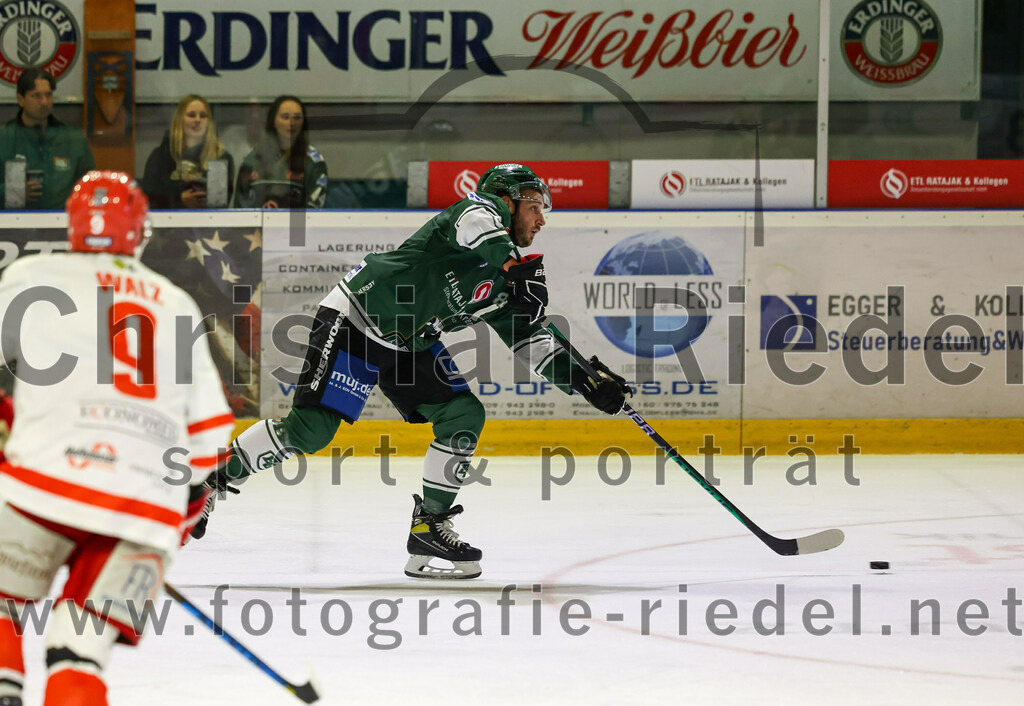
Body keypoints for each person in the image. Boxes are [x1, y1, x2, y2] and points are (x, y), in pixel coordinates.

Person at [196, 163, 630, 580]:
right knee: (312, 431)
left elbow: (531, 341)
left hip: (408, 343)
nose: (542, 220)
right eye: (535, 206)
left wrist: (584, 382)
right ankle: (210, 479)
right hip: (359, 317)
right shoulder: (476, 213)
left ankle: (430, 528)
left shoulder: (506, 281)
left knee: (463, 415)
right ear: (507, 199)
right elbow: (482, 229)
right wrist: (512, 267)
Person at [0, 172, 233, 705]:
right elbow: (208, 445)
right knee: (78, 652)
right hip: (144, 507)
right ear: (140, 231)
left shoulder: (30, 274)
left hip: (39, 482)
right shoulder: (174, 303)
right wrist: (179, 516)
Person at [0, 68, 95, 210]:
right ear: (21, 99)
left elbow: (91, 186)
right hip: (11, 225)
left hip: (61, 223)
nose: (44, 102)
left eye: (48, 95)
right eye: (36, 96)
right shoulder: (4, 138)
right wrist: (14, 192)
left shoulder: (72, 139)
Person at [141, 94, 235, 209]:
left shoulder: (220, 158)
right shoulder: (160, 156)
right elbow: (149, 198)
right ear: (179, 120)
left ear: (209, 122)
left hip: (208, 224)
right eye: (191, 115)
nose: (197, 120)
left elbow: (221, 202)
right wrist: (179, 200)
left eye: (203, 116)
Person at [234, 95, 328, 209]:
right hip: (258, 227)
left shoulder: (313, 162)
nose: (292, 123)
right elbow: (240, 211)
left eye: (297, 117)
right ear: (273, 121)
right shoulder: (252, 159)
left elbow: (314, 213)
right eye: (285, 117)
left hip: (297, 226)